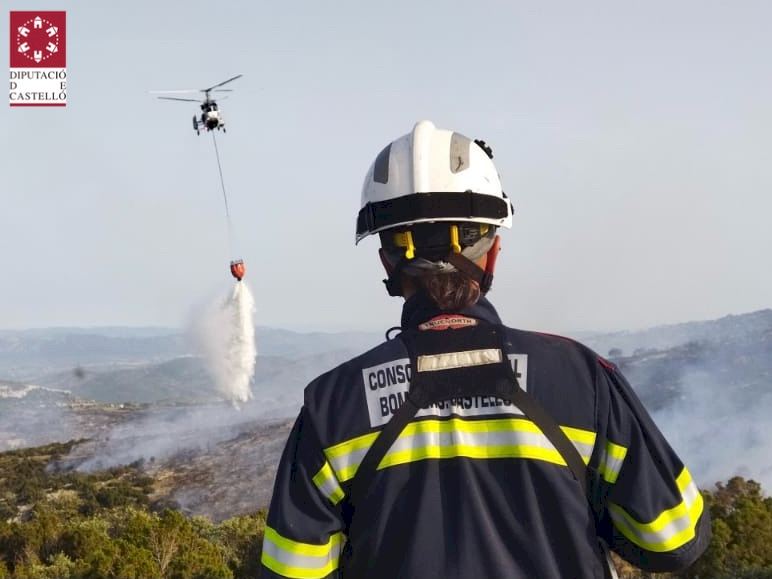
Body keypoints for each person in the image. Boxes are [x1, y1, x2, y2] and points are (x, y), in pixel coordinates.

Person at [260, 121, 710, 578]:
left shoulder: (333, 405)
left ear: (387, 263)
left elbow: (292, 570)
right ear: (493, 254)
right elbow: (673, 539)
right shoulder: (582, 378)